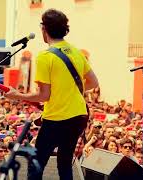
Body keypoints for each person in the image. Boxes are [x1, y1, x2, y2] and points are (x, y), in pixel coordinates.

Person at [5, 8, 99, 180]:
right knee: (64, 165)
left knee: (36, 165)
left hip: (56, 119)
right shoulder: (76, 52)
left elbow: (43, 95)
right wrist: (68, 90)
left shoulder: (45, 57)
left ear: (44, 29)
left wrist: (16, 95)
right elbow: (93, 82)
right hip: (78, 116)